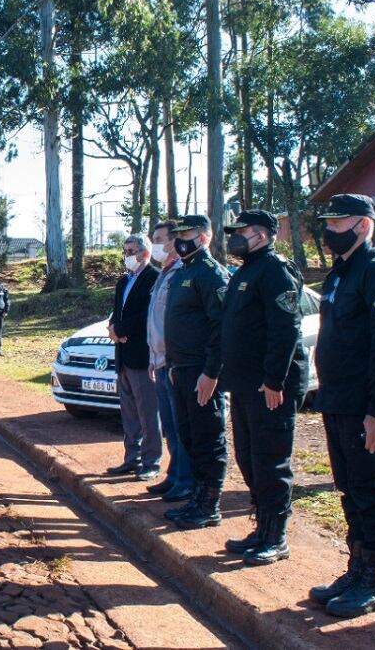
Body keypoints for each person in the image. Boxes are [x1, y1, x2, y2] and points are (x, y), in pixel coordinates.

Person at [309, 194, 375, 618]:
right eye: (328, 222)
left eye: (339, 222)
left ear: (364, 225)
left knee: (371, 490)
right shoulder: (340, 272)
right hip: (337, 400)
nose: (331, 230)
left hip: (365, 407)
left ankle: (374, 581)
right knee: (349, 488)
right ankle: (356, 568)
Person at [219, 210, 308, 566]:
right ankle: (261, 527)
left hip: (270, 387)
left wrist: (274, 379)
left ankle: (276, 536)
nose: (236, 237)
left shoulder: (275, 270)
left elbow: (284, 329)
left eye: (243, 231)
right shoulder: (245, 270)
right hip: (244, 385)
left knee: (271, 462)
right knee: (249, 459)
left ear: (263, 235)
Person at [162, 215, 230, 531]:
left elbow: (221, 327)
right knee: (189, 436)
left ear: (204, 237)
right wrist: (174, 365)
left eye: (187, 234)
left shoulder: (211, 274)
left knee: (208, 438)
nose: (180, 239)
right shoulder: (183, 272)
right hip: (182, 370)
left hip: (203, 374)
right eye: (178, 234)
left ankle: (209, 505)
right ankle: (196, 498)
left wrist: (211, 372)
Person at [105, 235, 162, 482]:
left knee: (147, 412)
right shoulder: (123, 281)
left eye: (131, 250)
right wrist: (112, 329)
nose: (127, 255)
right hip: (123, 355)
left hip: (142, 355)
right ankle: (132, 459)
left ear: (145, 253)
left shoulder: (154, 278)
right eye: (125, 250)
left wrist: (122, 330)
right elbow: (117, 313)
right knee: (128, 413)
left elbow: (148, 315)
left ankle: (151, 462)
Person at [145, 221, 194, 503]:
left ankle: (186, 480)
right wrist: (154, 357)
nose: (156, 245)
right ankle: (175, 475)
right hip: (160, 361)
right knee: (171, 428)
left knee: (181, 426)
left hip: (175, 363)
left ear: (174, 242)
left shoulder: (180, 273)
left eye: (160, 239)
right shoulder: (164, 274)